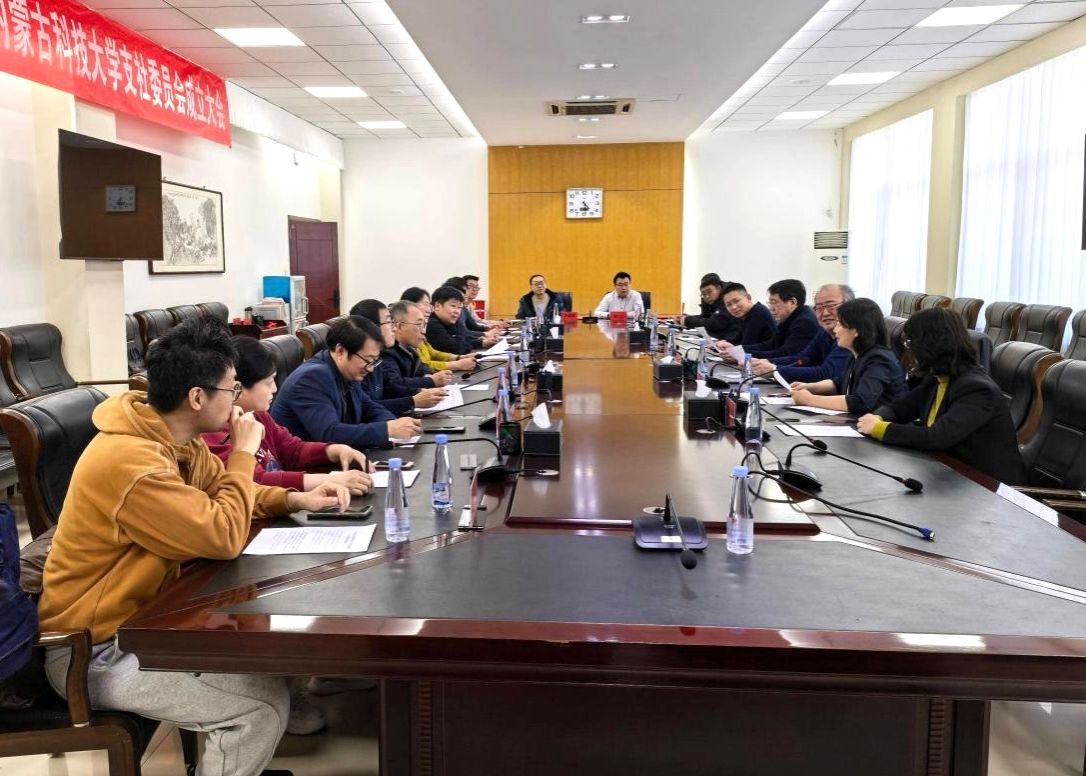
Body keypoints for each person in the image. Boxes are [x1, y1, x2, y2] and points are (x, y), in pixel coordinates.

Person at [38, 319, 349, 776]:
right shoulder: (131, 463)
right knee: (259, 708)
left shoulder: (173, 439)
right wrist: (243, 452)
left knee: (272, 646)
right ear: (198, 397)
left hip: (152, 622)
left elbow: (225, 492)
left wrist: (293, 499)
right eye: (232, 387)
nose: (237, 397)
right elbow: (222, 536)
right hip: (94, 651)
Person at [857, 307, 1026, 483]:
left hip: (987, 486)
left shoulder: (977, 389)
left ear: (928, 344)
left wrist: (880, 428)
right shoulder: (939, 377)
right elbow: (900, 408)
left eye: (909, 343)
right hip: (949, 474)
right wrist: (877, 417)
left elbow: (937, 437)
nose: (908, 350)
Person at [203, 336, 376, 493]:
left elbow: (292, 450)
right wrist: (328, 480)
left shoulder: (258, 415)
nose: (274, 389)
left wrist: (333, 450)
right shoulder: (213, 434)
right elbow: (255, 482)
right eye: (269, 382)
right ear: (237, 389)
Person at [272, 316, 422, 449]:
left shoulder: (346, 371)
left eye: (374, 361)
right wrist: (386, 429)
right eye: (368, 360)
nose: (370, 369)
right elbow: (329, 434)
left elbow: (370, 407)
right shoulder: (312, 377)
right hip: (305, 467)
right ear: (341, 351)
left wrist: (391, 424)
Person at [789, 298, 906, 415]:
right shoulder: (857, 354)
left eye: (839, 324)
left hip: (880, 424)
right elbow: (839, 383)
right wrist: (810, 387)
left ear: (857, 330)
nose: (835, 330)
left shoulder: (879, 360)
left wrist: (809, 400)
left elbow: (860, 402)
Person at [349, 299, 448, 414]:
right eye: (389, 322)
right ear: (371, 327)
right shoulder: (361, 364)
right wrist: (413, 401)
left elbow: (390, 388)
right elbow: (364, 409)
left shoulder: (378, 358)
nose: (394, 328)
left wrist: (418, 391)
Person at [750, 283, 854, 383]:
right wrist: (767, 362)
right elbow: (803, 359)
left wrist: (775, 369)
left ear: (849, 306)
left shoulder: (850, 335)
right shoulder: (824, 332)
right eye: (819, 307)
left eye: (831, 305)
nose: (825, 313)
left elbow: (827, 373)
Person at [400, 287, 477, 372]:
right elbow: (422, 365)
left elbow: (434, 353)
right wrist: (457, 364)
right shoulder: (412, 331)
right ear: (410, 305)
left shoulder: (422, 328)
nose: (429, 309)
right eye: (426, 304)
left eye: (459, 307)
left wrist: (459, 357)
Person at [745, 278, 819, 359]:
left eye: (774, 302)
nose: (771, 308)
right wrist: (741, 349)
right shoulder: (790, 318)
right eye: (770, 303)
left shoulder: (805, 322)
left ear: (792, 302)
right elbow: (772, 344)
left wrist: (745, 354)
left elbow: (785, 354)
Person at [442, 276, 500, 348]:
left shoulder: (464, 307)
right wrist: (482, 338)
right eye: (469, 287)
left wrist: (479, 338)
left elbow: (472, 326)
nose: (466, 294)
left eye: (476, 287)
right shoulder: (438, 320)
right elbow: (458, 337)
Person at [714, 282, 776, 349]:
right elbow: (738, 339)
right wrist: (721, 342)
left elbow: (747, 344)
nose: (734, 307)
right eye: (729, 305)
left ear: (748, 298)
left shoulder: (758, 312)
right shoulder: (744, 315)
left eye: (736, 301)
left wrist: (732, 347)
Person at [680, 275, 740, 340]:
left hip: (734, 339)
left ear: (718, 288)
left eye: (709, 291)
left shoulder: (728, 296)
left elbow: (715, 323)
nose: (707, 296)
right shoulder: (707, 297)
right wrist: (686, 317)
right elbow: (705, 316)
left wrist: (687, 320)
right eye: (703, 294)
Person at [426, 285, 477, 355]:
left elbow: (467, 343)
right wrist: (461, 339)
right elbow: (457, 350)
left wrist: (459, 339)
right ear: (437, 306)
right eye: (453, 306)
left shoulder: (449, 322)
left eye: (459, 307)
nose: (457, 311)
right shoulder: (431, 325)